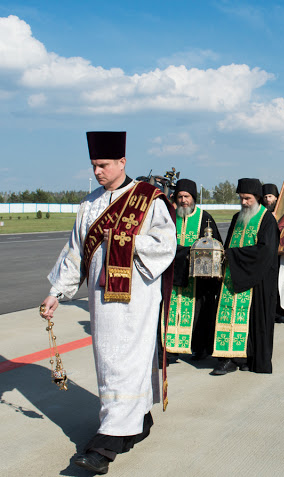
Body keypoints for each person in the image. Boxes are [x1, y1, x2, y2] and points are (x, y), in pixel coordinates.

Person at [40, 131, 176, 474]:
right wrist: (56, 293)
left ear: (122, 162)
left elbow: (165, 245)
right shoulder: (89, 204)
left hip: (138, 298)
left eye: (103, 165)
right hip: (101, 299)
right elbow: (74, 254)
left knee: (124, 361)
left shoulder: (149, 199)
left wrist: (122, 238)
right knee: (108, 360)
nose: (98, 171)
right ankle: (138, 420)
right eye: (94, 165)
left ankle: (107, 442)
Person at [212, 178, 278, 375]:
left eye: (247, 199)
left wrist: (232, 256)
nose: (243, 203)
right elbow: (228, 245)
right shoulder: (237, 217)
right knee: (230, 316)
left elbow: (265, 251)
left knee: (253, 320)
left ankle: (250, 357)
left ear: (257, 198)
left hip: (258, 279)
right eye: (241, 198)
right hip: (234, 276)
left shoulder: (267, 219)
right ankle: (229, 358)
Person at [167, 178, 222, 361]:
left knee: (199, 314)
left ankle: (200, 349)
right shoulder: (169, 216)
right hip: (172, 275)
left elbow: (216, 246)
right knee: (170, 312)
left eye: (187, 197)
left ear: (194, 198)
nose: (183, 201)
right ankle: (170, 349)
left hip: (197, 279)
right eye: (180, 196)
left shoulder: (204, 218)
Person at [262, 183, 284, 320]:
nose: (268, 200)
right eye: (265, 197)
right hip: (267, 254)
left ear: (277, 197)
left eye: (270, 196)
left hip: (281, 253)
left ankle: (280, 310)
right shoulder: (260, 213)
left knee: (281, 282)